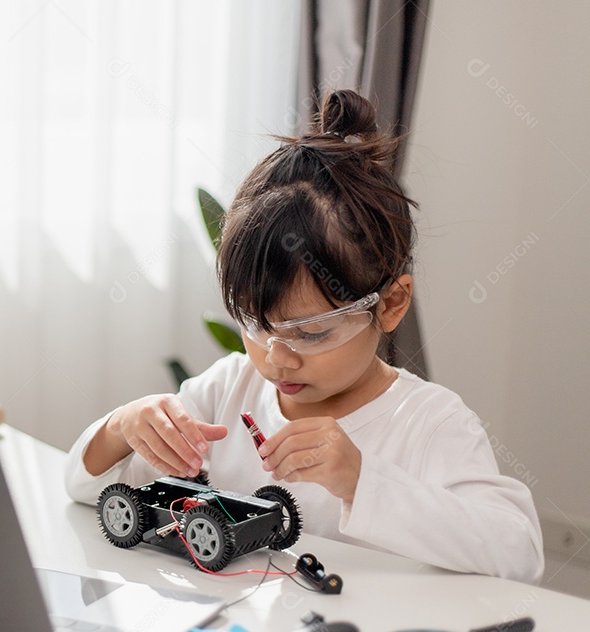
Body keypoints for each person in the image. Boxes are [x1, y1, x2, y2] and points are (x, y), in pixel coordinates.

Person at [64, 89, 543, 585]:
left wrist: (361, 481)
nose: (276, 360)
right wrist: (123, 428)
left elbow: (519, 554)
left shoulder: (429, 423)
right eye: (253, 323)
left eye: (310, 333)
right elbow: (83, 488)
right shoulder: (227, 390)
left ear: (392, 304)